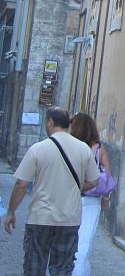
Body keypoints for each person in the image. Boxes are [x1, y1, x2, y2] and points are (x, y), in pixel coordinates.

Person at [3, 107, 99, 276]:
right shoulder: (84, 149)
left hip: (40, 218)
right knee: (62, 269)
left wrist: (11, 212)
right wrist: (74, 186)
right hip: (69, 219)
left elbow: (21, 184)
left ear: (50, 122)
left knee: (34, 268)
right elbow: (93, 182)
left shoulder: (38, 149)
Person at [69, 112, 112, 276]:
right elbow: (107, 175)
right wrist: (105, 198)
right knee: (84, 244)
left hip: (70, 199)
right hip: (91, 201)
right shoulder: (98, 148)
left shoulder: (69, 146)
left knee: (66, 241)